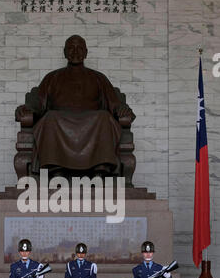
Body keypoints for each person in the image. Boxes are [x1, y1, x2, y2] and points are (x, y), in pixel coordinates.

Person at [16, 35, 135, 176]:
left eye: (80, 48)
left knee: (104, 117)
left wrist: (121, 109)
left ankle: (100, 169)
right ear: (65, 52)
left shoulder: (99, 78)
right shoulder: (52, 77)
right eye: (71, 48)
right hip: (59, 120)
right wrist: (28, 108)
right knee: (50, 117)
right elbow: (38, 103)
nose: (75, 52)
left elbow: (114, 103)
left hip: (93, 121)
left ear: (86, 52)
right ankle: (56, 168)